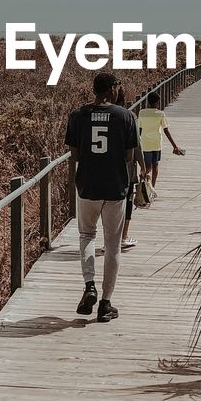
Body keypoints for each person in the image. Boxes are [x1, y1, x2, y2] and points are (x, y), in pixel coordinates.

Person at [65, 71, 138, 322]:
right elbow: (130, 157)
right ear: (112, 89)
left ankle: (89, 285)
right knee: (113, 244)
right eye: (118, 86)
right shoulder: (126, 116)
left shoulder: (77, 116)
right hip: (116, 187)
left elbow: (74, 155)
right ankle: (105, 303)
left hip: (87, 185)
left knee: (86, 235)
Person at [115, 83, 147, 250]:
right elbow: (136, 144)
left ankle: (111, 239)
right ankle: (123, 236)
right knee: (127, 201)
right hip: (126, 168)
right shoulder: (129, 116)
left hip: (106, 168)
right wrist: (143, 165)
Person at [138, 89, 184, 188]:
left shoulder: (142, 113)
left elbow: (139, 130)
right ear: (157, 102)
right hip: (156, 144)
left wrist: (136, 145)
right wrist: (175, 146)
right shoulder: (160, 114)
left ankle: (145, 185)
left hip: (145, 144)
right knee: (155, 166)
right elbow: (166, 130)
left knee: (146, 166)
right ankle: (152, 188)